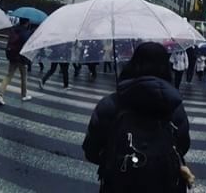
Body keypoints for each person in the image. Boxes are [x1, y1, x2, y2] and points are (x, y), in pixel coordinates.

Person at [82, 42, 192, 193]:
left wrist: (115, 159)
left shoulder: (111, 104)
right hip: (164, 183)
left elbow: (91, 150)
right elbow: (183, 146)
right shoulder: (175, 107)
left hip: (118, 184)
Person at [0, 18, 32, 105]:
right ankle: (24, 95)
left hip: (12, 56)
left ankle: (0, 94)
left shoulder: (14, 30)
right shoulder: (25, 33)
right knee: (23, 77)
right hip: (21, 58)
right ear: (27, 23)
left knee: (9, 75)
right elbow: (27, 45)